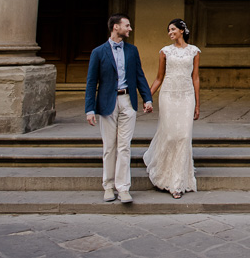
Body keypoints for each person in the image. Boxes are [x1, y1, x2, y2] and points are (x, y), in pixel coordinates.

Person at [85, 14, 153, 204]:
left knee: (125, 146)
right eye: (127, 25)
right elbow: (92, 82)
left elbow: (140, 75)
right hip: (107, 102)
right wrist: (89, 109)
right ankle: (108, 186)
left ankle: (123, 188)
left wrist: (147, 98)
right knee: (109, 147)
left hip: (128, 101)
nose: (130, 29)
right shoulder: (98, 52)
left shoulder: (132, 50)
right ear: (116, 27)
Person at [142, 18, 201, 199]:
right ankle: (164, 172)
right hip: (168, 95)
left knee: (183, 136)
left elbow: (196, 78)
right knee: (170, 135)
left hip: (186, 96)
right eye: (168, 30)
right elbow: (159, 78)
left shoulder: (194, 51)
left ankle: (177, 182)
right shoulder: (164, 52)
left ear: (182, 30)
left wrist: (197, 104)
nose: (170, 33)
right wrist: (147, 97)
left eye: (173, 29)